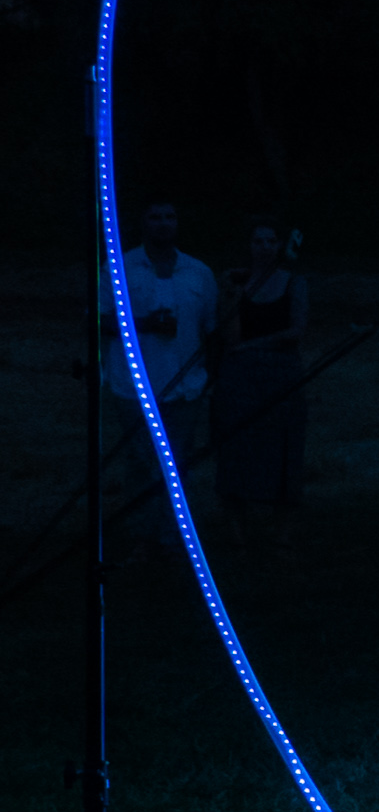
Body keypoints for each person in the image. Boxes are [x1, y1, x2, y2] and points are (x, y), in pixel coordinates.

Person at [101, 197, 220, 552]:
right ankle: (141, 535)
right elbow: (100, 320)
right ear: (143, 223)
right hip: (133, 386)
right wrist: (144, 324)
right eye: (155, 217)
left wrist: (209, 376)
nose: (163, 223)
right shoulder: (120, 268)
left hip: (186, 386)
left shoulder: (198, 272)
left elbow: (212, 328)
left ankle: (172, 537)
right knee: (142, 461)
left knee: (177, 462)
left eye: (170, 217)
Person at [210, 216, 309, 547]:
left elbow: (296, 330)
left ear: (280, 245)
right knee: (236, 448)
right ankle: (238, 534)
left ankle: (282, 536)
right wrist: (230, 293)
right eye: (258, 241)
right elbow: (230, 335)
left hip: (281, 373)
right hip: (239, 377)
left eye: (270, 241)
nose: (265, 247)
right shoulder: (238, 282)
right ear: (249, 246)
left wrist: (253, 345)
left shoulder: (293, 282)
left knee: (284, 449)